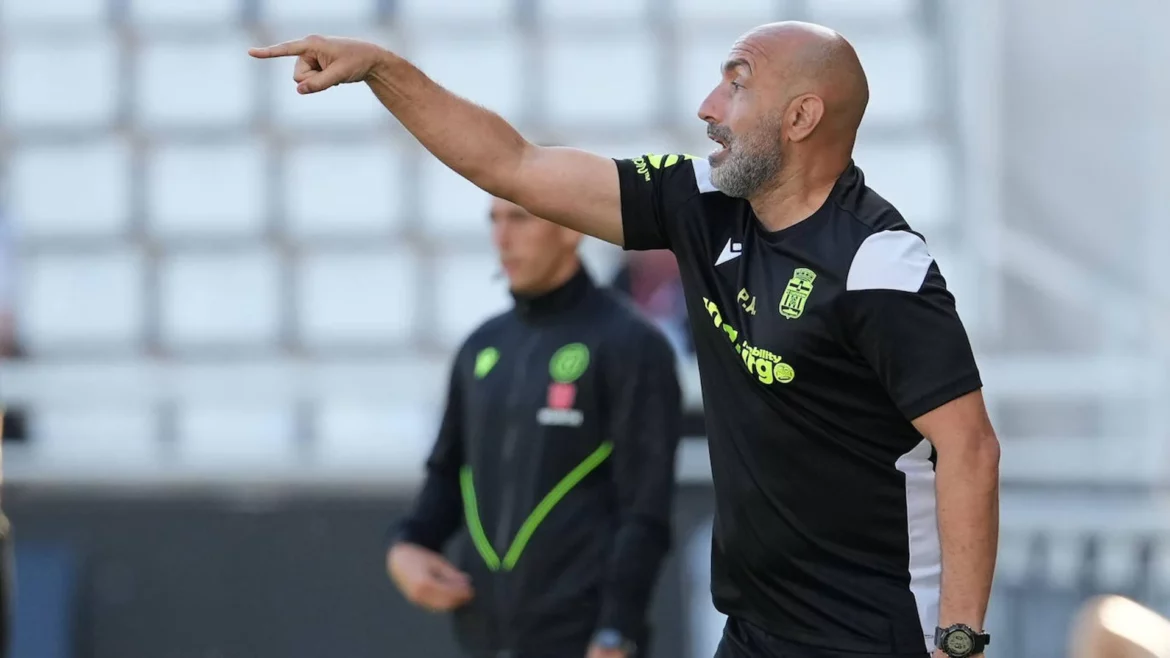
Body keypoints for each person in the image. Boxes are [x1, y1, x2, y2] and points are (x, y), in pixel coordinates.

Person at [251, 19, 1001, 658]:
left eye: (736, 84)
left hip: (872, 632)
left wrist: (959, 640)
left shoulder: (878, 261)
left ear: (801, 117)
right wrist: (383, 69)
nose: (709, 106)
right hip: (756, 625)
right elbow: (515, 165)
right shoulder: (702, 204)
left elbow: (969, 447)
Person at [384, 196, 682, 658]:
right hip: (482, 638)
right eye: (495, 221)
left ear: (571, 228)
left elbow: (644, 511)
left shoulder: (632, 345)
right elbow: (447, 474)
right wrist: (407, 546)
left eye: (519, 219)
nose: (502, 238)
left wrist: (615, 631)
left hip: (584, 642)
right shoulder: (480, 348)